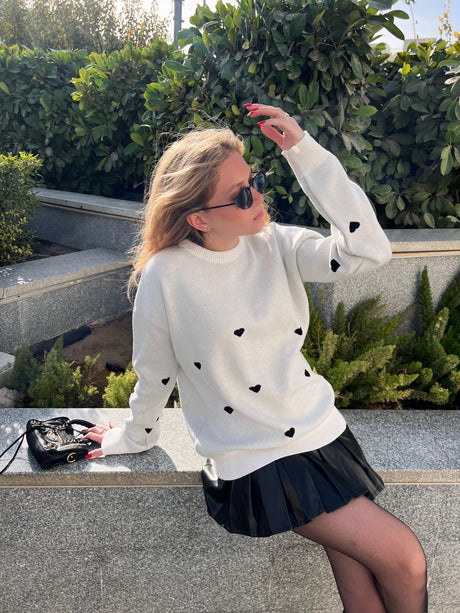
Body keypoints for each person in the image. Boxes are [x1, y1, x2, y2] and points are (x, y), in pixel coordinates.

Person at [83, 104, 428, 613]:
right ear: (198, 217)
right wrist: (133, 436)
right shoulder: (166, 275)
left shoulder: (276, 243)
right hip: (256, 457)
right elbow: (154, 372)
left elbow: (368, 251)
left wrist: (304, 153)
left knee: (359, 580)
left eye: (256, 182)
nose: (259, 198)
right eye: (242, 194)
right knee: (405, 560)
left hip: (320, 432)